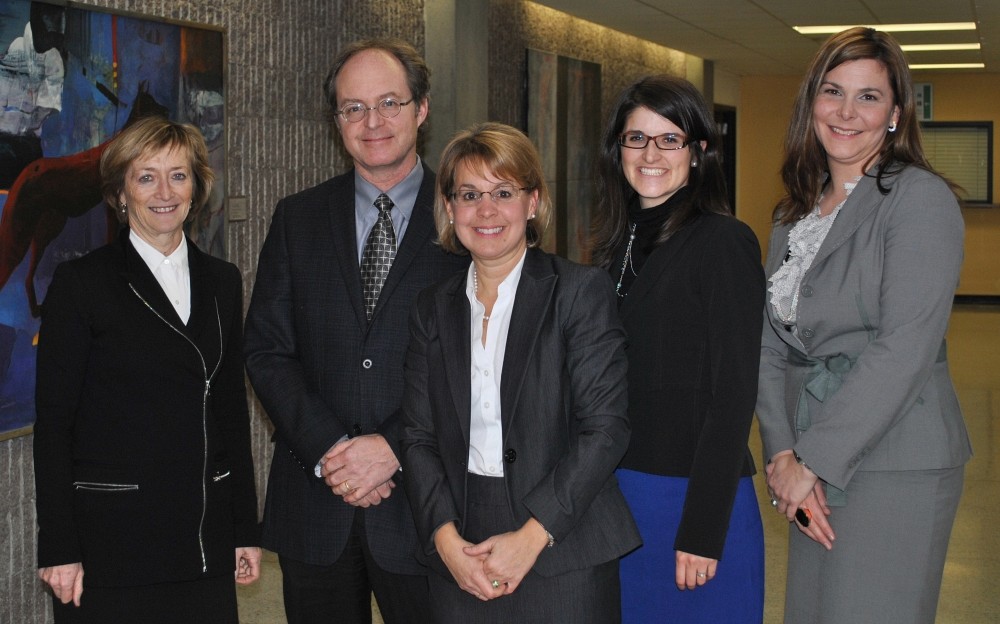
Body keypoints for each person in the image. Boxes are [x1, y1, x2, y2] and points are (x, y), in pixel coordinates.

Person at [243, 38, 467, 624]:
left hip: (429, 507)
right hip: (317, 502)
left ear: (421, 108)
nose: (373, 122)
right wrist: (332, 451)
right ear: (336, 120)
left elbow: (481, 358)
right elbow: (267, 351)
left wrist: (392, 446)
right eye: (354, 108)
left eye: (390, 102)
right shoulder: (297, 218)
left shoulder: (469, 217)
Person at [757, 27, 971, 624]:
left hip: (894, 460)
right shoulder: (794, 214)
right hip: (807, 462)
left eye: (868, 96)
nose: (846, 112)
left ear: (896, 114)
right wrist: (782, 455)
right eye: (833, 92)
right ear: (811, 104)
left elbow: (904, 348)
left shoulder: (919, 200)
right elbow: (769, 346)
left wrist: (812, 462)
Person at [400, 122, 641, 623]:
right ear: (449, 208)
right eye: (470, 195)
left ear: (533, 202)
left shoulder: (578, 293)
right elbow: (418, 436)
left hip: (563, 542)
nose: (486, 210)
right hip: (460, 549)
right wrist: (443, 538)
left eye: (504, 192)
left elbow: (606, 428)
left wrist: (533, 535)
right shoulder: (431, 308)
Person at [33, 115, 261, 623]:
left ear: (196, 188)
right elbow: (54, 426)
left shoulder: (222, 280)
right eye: (146, 177)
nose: (165, 192)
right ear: (120, 193)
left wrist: (244, 528)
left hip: (202, 534)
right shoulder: (81, 284)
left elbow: (230, 411)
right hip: (113, 540)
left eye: (178, 175)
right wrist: (59, 545)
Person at [591, 75, 766, 622]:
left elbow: (733, 395)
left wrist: (703, 530)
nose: (651, 155)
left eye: (669, 139)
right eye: (636, 138)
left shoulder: (723, 242)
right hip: (618, 496)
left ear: (698, 151)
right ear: (617, 148)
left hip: (691, 501)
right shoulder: (614, 246)